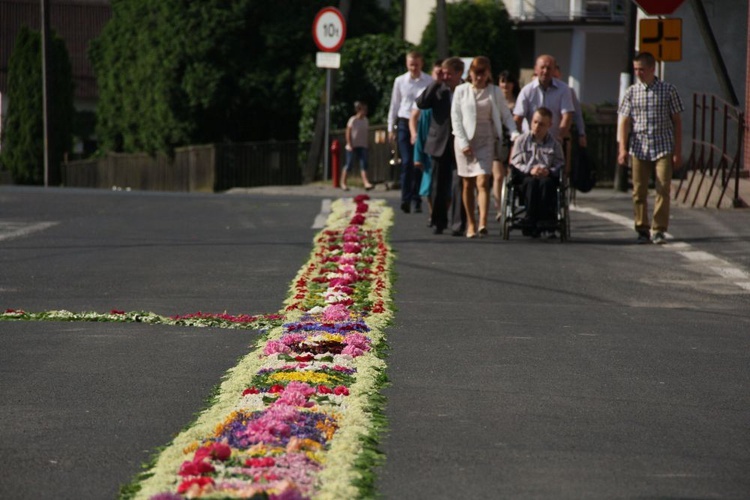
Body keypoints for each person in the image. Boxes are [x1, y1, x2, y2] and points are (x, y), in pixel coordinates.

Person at [617, 51, 684, 245]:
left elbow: (677, 122)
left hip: (663, 146)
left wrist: (677, 151)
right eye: (636, 69)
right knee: (639, 191)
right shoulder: (631, 92)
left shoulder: (668, 90)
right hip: (639, 147)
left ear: (652, 69)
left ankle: (659, 229)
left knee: (663, 187)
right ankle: (642, 228)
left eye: (642, 69)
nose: (639, 73)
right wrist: (622, 149)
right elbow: (624, 121)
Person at [451, 56, 517, 238]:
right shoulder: (461, 91)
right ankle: (470, 224)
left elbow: (506, 115)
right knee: (467, 183)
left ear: (488, 74)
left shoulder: (494, 92)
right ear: (470, 73)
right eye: (476, 74)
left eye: (483, 74)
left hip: (486, 139)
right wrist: (463, 143)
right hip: (465, 141)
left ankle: (482, 223)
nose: (479, 78)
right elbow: (456, 119)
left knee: (482, 180)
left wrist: (514, 132)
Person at [415, 57, 465, 235]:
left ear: (459, 74)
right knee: (438, 185)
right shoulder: (438, 89)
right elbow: (421, 103)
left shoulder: (466, 89)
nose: (446, 77)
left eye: (449, 74)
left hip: (460, 144)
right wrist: (435, 83)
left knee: (459, 184)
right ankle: (438, 221)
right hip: (439, 143)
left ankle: (459, 224)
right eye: (443, 73)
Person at [387, 51, 434, 214]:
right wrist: (390, 127)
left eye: (416, 64)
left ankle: (417, 198)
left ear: (421, 63)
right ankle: (405, 198)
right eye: (411, 64)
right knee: (406, 162)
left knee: (417, 162)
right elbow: (394, 104)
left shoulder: (429, 80)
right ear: (407, 64)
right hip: (404, 121)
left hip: (422, 123)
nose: (414, 67)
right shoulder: (400, 81)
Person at [509, 107, 565, 238]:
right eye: (535, 122)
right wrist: (530, 170)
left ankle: (545, 219)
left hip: (546, 176)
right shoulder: (521, 141)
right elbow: (515, 161)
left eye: (541, 124)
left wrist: (548, 171)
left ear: (549, 125)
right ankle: (530, 218)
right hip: (527, 175)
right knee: (531, 182)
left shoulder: (555, 144)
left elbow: (560, 163)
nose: (537, 126)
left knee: (546, 183)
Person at [411, 60, 444, 227]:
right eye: (436, 73)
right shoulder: (427, 100)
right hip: (430, 148)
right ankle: (432, 212)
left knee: (445, 185)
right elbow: (421, 131)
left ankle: (441, 213)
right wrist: (418, 156)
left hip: (445, 146)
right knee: (429, 184)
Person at [513, 54, 574, 143]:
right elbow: (518, 117)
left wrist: (560, 137)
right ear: (536, 69)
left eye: (549, 68)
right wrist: (518, 139)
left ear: (554, 70)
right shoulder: (527, 91)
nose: (545, 71)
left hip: (554, 141)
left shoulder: (564, 90)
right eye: (542, 67)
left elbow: (567, 116)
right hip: (530, 141)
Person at [493, 70, 520, 221]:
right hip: (497, 140)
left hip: (513, 141)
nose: (505, 85)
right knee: (498, 176)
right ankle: (499, 208)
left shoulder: (518, 101)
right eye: (502, 81)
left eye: (508, 81)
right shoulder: (494, 100)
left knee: (510, 176)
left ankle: (510, 204)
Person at [342, 101, 373, 191]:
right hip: (352, 145)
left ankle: (366, 182)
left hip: (362, 145)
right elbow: (348, 132)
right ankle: (343, 182)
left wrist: (367, 143)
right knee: (349, 164)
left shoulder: (366, 121)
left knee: (364, 164)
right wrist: (349, 143)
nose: (365, 112)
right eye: (364, 110)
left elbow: (366, 133)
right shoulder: (353, 120)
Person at [553, 65, 587, 148]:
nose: (554, 80)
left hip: (561, 135)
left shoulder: (568, 91)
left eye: (556, 77)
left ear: (560, 76)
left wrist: (581, 133)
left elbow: (577, 114)